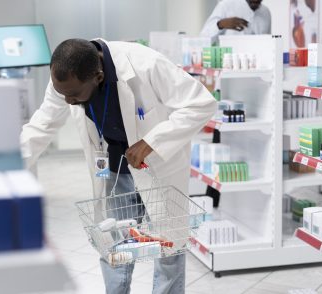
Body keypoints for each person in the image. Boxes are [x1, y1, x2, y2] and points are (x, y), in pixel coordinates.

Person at [20, 38, 216, 294]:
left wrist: (151, 141)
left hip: (157, 166)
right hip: (114, 169)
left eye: (74, 95)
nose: (67, 101)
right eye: (63, 94)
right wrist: (6, 167)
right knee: (115, 244)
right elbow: (42, 125)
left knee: (169, 246)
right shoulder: (65, 79)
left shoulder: (146, 64)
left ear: (98, 76)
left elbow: (202, 103)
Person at [200, 0, 271, 44]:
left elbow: (268, 42)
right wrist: (221, 24)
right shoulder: (226, 5)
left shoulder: (266, 12)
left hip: (259, 65)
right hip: (229, 64)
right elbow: (204, 36)